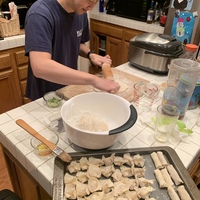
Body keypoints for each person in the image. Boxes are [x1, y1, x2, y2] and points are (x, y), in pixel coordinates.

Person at [25, 0, 120, 101]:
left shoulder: (80, 11)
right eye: (90, 0)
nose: (91, 8)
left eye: (96, 2)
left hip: (68, 88)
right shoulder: (40, 14)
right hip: (45, 96)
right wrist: (94, 80)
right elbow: (40, 66)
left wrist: (90, 54)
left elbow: (76, 41)